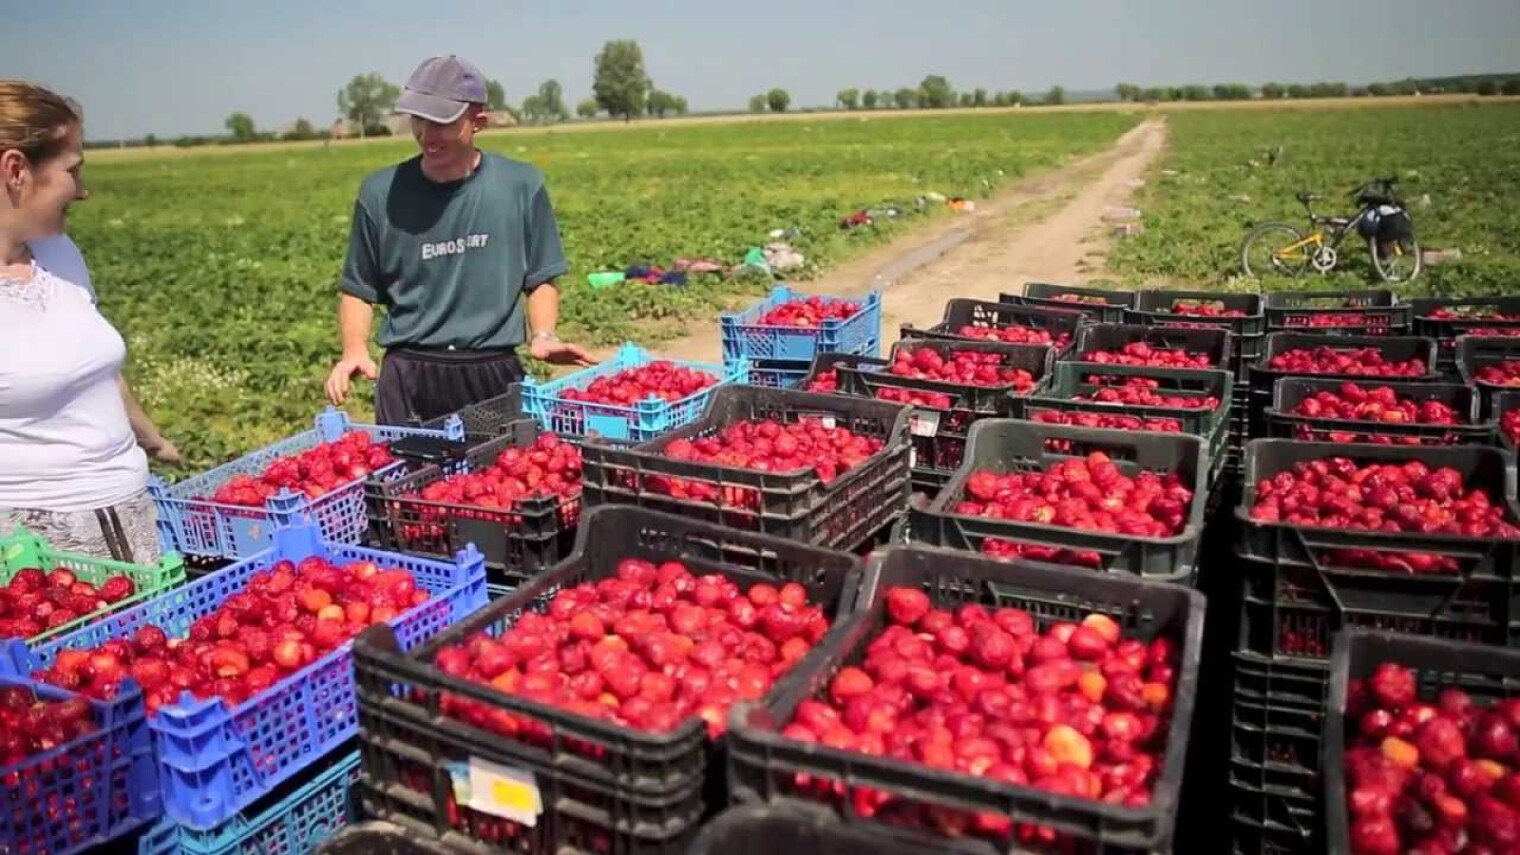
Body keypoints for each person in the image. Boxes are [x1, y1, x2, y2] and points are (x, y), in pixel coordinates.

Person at [325, 55, 593, 426]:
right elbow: (359, 287)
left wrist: (544, 334)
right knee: (408, 479)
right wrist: (354, 348)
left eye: (443, 122)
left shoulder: (520, 185)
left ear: (478, 121)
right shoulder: (379, 193)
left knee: (501, 479)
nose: (428, 134)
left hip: (492, 370)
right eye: (419, 120)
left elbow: (540, 278)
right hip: (409, 375)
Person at [0, 80, 179, 562]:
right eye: (72, 171)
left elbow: (95, 369)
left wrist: (151, 438)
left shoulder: (58, 253)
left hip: (128, 512)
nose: (82, 191)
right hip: (35, 550)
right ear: (16, 170)